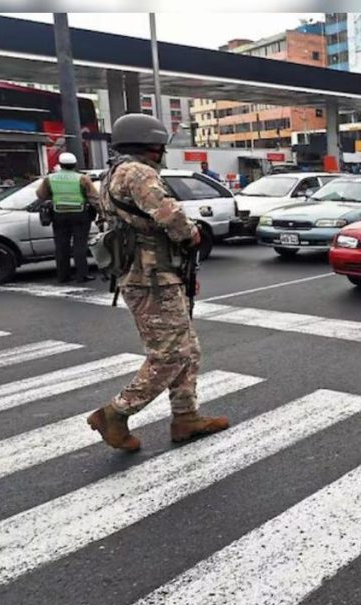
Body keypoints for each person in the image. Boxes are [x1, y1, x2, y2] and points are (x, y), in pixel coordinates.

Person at [86, 113, 228, 453]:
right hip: (151, 277)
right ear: (151, 144)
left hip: (153, 274)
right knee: (169, 355)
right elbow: (171, 216)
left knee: (187, 350)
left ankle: (186, 417)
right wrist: (192, 234)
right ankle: (116, 413)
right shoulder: (137, 172)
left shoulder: (114, 172)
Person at [35, 152, 100, 283]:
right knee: (79, 245)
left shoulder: (50, 178)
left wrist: (54, 198)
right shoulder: (82, 178)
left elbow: (40, 195)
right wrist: (101, 211)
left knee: (61, 245)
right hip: (80, 214)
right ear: (75, 164)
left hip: (59, 215)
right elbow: (94, 197)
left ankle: (63, 276)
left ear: (60, 164)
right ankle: (82, 275)